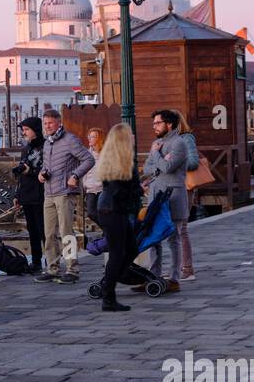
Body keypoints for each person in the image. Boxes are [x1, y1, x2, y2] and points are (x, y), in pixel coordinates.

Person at [36, 109, 94, 284]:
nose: (47, 126)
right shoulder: (47, 143)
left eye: (50, 123)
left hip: (65, 192)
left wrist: (75, 176)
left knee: (66, 232)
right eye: (45, 124)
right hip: (49, 192)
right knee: (48, 233)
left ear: (59, 123)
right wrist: (41, 173)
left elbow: (89, 159)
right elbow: (46, 166)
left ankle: (72, 269)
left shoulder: (70, 140)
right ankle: (52, 268)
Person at [94, 123, 142, 312]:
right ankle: (108, 295)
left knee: (131, 249)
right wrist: (138, 189)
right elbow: (120, 191)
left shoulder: (115, 159)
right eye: (130, 134)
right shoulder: (121, 161)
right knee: (118, 254)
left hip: (112, 210)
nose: (133, 137)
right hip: (113, 211)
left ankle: (114, 279)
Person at [141, 109, 189, 292]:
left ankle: (174, 278)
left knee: (173, 238)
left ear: (169, 124)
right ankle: (153, 277)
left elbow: (168, 167)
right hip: (155, 196)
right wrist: (158, 159)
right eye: (153, 123)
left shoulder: (179, 143)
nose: (154, 126)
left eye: (158, 123)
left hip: (173, 196)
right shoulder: (157, 144)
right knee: (153, 238)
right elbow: (147, 168)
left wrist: (157, 157)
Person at [11, 117, 46, 274]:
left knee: (44, 229)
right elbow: (21, 172)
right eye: (23, 130)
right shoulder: (25, 149)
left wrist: (31, 172)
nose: (24, 133)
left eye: (26, 130)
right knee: (32, 230)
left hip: (41, 193)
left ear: (35, 131)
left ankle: (52, 260)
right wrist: (17, 195)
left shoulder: (46, 147)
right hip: (27, 193)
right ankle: (36, 261)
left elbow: (48, 170)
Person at [168, 107, 199, 280]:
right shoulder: (169, 140)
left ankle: (187, 269)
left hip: (185, 187)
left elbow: (193, 162)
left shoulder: (186, 138)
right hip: (173, 187)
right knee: (174, 229)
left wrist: (173, 163)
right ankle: (178, 267)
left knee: (182, 229)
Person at [80, 127, 105, 227]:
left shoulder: (105, 154)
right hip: (90, 189)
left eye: (93, 137)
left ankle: (108, 234)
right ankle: (108, 231)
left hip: (103, 188)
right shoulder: (86, 154)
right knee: (91, 213)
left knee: (103, 212)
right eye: (89, 137)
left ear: (99, 138)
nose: (90, 139)